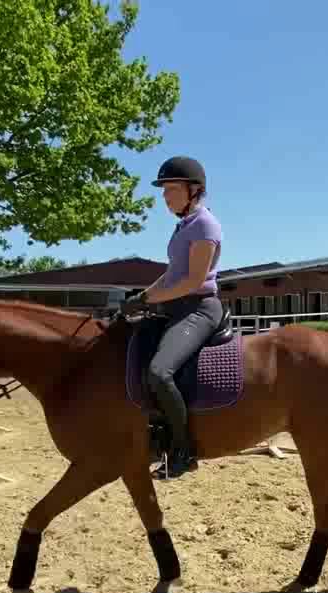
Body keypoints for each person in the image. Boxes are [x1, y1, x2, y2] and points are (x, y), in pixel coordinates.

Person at [123, 156, 223, 480]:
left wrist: (148, 298)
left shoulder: (205, 225)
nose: (165, 197)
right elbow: (169, 276)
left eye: (171, 189)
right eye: (163, 191)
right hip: (176, 308)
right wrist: (140, 297)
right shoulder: (183, 226)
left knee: (160, 371)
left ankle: (183, 452)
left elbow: (193, 282)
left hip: (199, 308)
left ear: (194, 190)